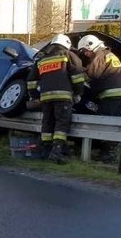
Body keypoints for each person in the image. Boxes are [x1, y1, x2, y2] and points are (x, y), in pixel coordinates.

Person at [27, 33, 86, 164]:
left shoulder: (42, 60)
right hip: (63, 97)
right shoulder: (68, 55)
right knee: (62, 122)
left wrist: (35, 96)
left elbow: (31, 80)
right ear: (67, 45)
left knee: (47, 122)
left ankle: (45, 151)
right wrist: (78, 93)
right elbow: (77, 76)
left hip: (46, 98)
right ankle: (56, 152)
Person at [76, 34, 121, 162]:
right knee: (112, 121)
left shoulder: (100, 54)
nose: (85, 55)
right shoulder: (108, 54)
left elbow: (93, 74)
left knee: (103, 123)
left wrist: (79, 72)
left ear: (90, 45)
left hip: (111, 94)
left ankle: (108, 154)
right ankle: (111, 151)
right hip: (119, 93)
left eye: (84, 52)